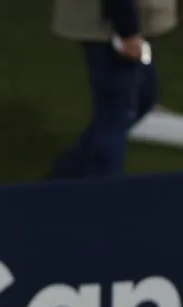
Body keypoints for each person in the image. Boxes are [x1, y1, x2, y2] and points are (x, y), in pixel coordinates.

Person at [49, 0, 178, 178]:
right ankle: (108, 194)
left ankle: (69, 170)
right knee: (115, 115)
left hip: (134, 22)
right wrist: (127, 30)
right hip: (114, 25)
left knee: (145, 95)